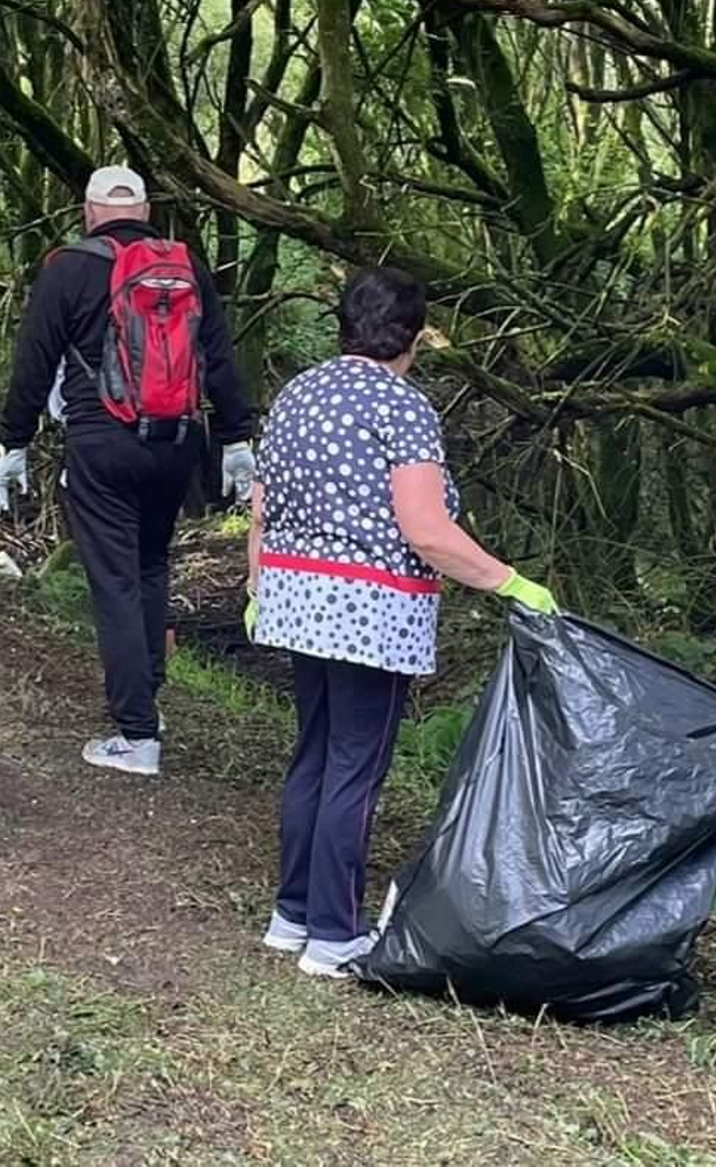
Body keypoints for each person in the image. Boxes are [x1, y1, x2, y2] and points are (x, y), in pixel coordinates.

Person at [246, 267, 559, 978]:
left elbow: (262, 507)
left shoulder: (297, 394)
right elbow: (426, 530)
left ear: (343, 325)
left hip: (293, 599)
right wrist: (510, 582)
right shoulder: (402, 407)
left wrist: (259, 585)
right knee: (355, 768)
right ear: (414, 337)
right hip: (368, 609)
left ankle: (291, 916)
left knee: (315, 754)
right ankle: (333, 936)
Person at [0, 165, 256, 777]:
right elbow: (219, 358)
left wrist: (13, 443)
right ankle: (148, 706)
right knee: (150, 566)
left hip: (102, 443)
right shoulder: (186, 266)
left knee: (112, 580)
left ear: (89, 212)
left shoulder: (68, 268)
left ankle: (136, 735)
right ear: (144, 210)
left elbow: (34, 361)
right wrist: (238, 435)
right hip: (178, 445)